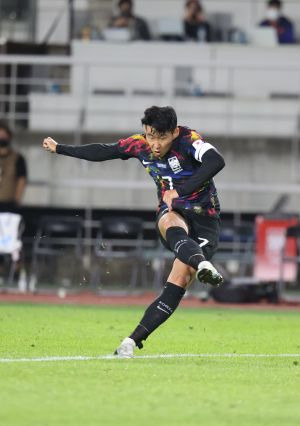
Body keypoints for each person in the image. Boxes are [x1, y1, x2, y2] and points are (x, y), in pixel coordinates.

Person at [42, 106, 225, 358]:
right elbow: (104, 151)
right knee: (169, 221)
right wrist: (61, 148)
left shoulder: (189, 140)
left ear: (174, 132)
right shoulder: (139, 145)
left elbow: (217, 160)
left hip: (206, 216)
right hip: (174, 210)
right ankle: (202, 263)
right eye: (150, 135)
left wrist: (180, 191)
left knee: (180, 279)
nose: (155, 144)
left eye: (161, 137)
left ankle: (131, 340)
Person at [0, 122, 27, 211]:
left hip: (8, 204)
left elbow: (21, 180)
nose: (2, 138)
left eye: (4, 135)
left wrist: (17, 200)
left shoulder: (17, 158)